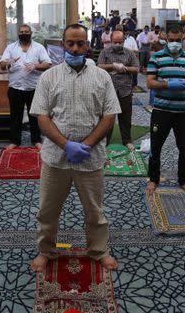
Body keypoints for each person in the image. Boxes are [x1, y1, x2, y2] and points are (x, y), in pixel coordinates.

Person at [29, 24, 120, 273]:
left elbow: (109, 116)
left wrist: (86, 145)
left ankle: (98, 251)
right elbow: (42, 117)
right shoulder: (49, 76)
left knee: (95, 211)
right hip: (55, 159)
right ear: (63, 44)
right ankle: (46, 251)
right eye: (70, 43)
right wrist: (66, 144)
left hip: (90, 159)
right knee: (47, 210)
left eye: (80, 43)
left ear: (88, 45)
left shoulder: (102, 77)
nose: (76, 48)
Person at [145, 25, 185, 196]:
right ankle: (153, 179)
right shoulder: (157, 57)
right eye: (171, 40)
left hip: (184, 112)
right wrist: (168, 84)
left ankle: (184, 180)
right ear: (165, 38)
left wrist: (183, 83)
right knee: (156, 146)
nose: (174, 43)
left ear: (183, 38)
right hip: (162, 110)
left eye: (178, 40)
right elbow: (149, 83)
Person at [0, 24, 52, 149]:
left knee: (34, 116)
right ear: (18, 34)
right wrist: (9, 62)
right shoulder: (11, 47)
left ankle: (36, 140)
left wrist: (35, 66)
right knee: (15, 116)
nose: (24, 33)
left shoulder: (38, 48)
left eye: (26, 31)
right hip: (15, 88)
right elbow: (2, 64)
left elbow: (48, 63)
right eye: (21, 32)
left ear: (30, 33)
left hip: (34, 88)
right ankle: (15, 141)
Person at [97, 31, 140, 150]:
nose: (117, 44)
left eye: (119, 42)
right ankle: (104, 141)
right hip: (108, 90)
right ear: (110, 41)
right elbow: (99, 66)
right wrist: (112, 66)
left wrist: (124, 68)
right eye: (115, 42)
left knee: (125, 118)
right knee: (107, 118)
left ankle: (127, 140)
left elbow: (136, 69)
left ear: (123, 41)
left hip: (125, 89)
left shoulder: (130, 53)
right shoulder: (104, 52)